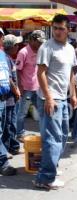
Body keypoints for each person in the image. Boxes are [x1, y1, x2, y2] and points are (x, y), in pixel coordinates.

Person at [33, 14, 77, 190]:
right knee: (52, 138)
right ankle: (45, 178)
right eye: (55, 28)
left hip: (64, 97)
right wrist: (49, 97)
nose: (58, 31)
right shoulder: (47, 46)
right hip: (49, 98)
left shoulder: (70, 49)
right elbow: (40, 73)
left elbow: (70, 74)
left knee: (63, 135)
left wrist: (73, 95)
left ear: (68, 30)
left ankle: (51, 167)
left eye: (61, 28)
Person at [16, 30, 46, 142]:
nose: (40, 44)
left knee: (42, 111)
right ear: (32, 40)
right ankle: (20, 134)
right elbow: (18, 71)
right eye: (39, 42)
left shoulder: (40, 51)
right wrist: (20, 87)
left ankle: (44, 132)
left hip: (38, 88)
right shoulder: (23, 52)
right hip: (26, 88)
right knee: (22, 113)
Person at [0, 28, 18, 176]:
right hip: (4, 98)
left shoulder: (2, 55)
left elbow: (8, 77)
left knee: (3, 128)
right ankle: (3, 161)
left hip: (4, 98)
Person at [2, 34, 22, 155]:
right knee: (8, 125)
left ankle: (12, 147)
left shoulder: (8, 58)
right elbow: (8, 79)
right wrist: (16, 90)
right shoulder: (5, 58)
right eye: (16, 45)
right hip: (9, 97)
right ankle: (6, 149)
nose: (18, 47)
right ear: (12, 46)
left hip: (11, 97)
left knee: (10, 123)